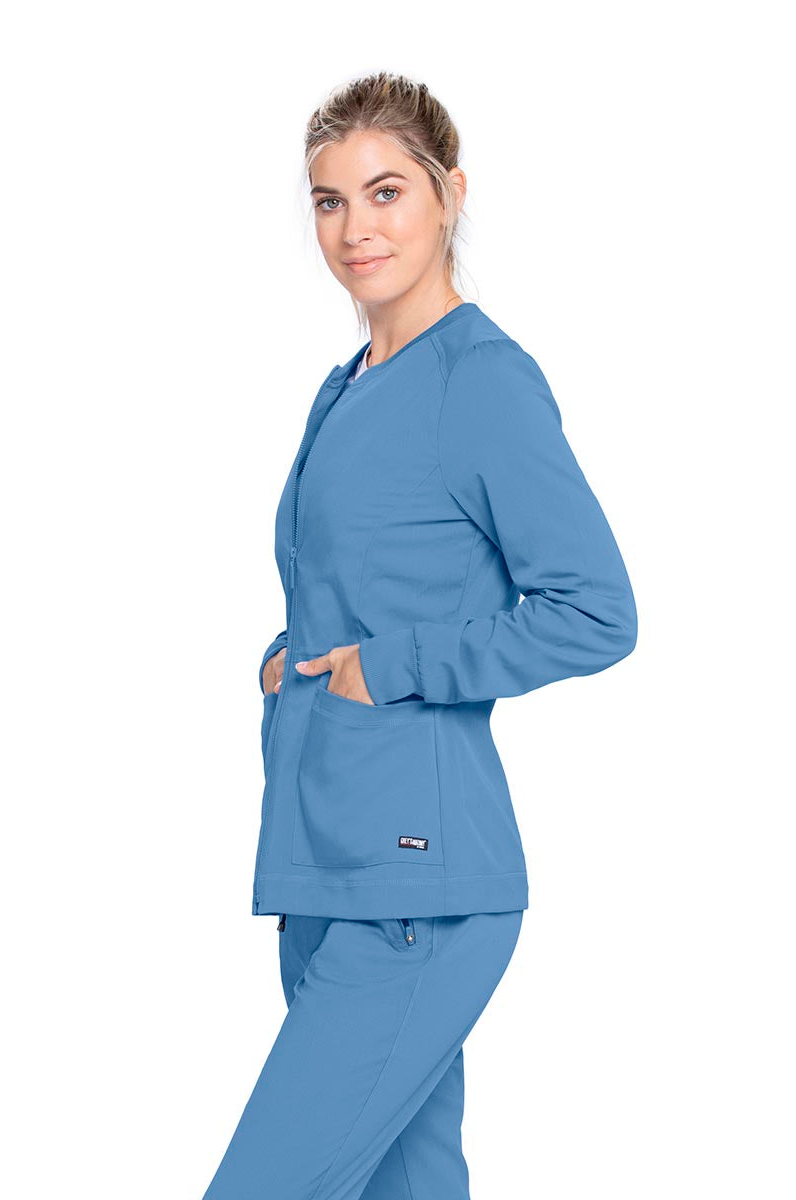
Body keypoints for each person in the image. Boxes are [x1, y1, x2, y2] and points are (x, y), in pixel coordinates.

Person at [202, 71, 637, 1200]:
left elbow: (595, 610)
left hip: (415, 887)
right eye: (330, 200)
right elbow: (373, 579)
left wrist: (389, 666)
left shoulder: (480, 381)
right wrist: (288, 655)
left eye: (386, 192)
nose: (356, 227)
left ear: (450, 193)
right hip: (322, 864)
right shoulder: (345, 386)